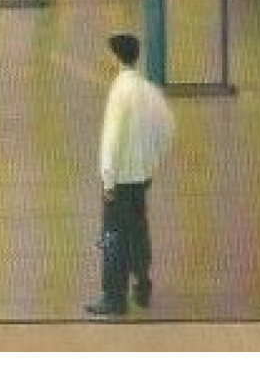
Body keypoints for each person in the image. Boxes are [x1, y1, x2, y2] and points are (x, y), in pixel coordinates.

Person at [85, 33, 175, 318]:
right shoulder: (147, 89)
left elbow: (111, 140)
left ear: (116, 58)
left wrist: (108, 180)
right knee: (138, 230)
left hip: (121, 179)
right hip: (141, 176)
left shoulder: (119, 92)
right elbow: (167, 125)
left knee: (112, 236)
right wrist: (152, 159)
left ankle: (114, 297)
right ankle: (142, 284)